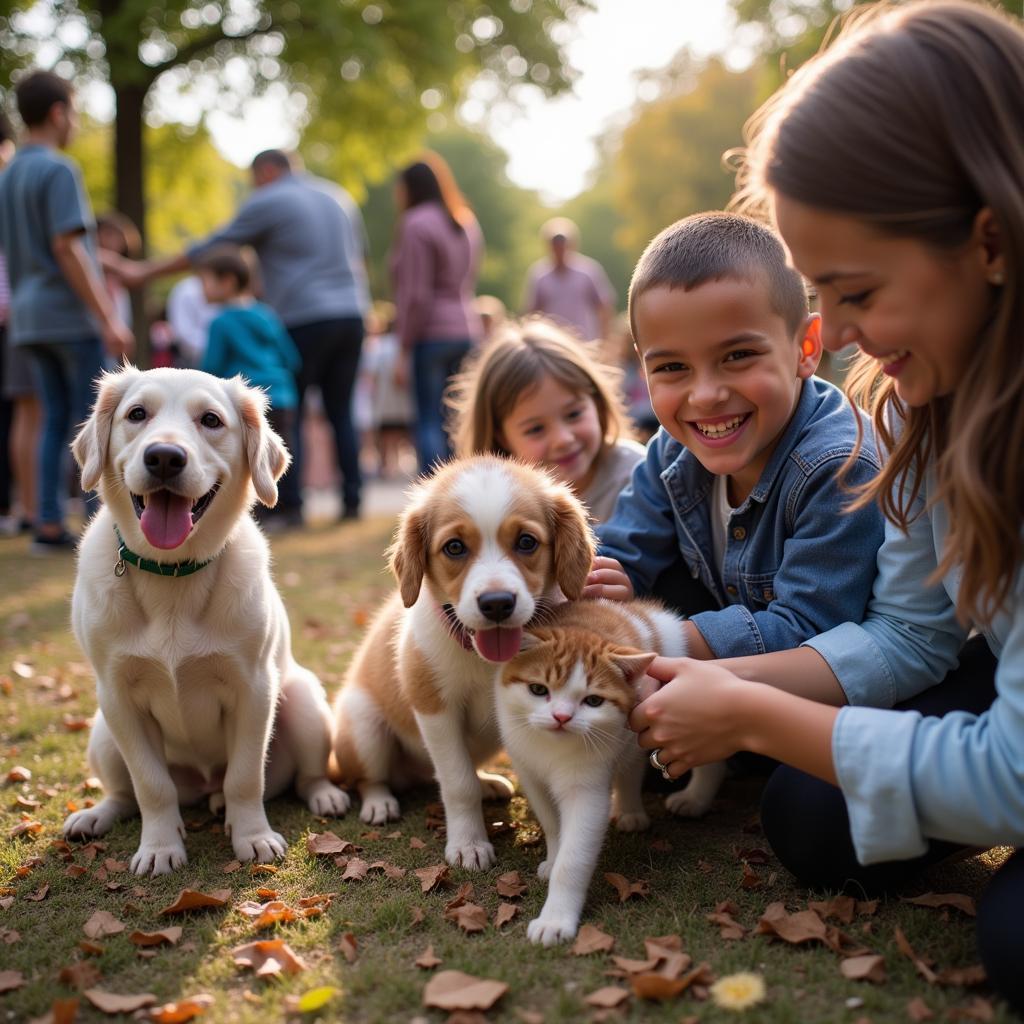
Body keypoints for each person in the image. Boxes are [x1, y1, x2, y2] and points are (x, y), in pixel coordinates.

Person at [625, 2, 1024, 1013]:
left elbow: (1014, 772)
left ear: (987, 239)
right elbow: (910, 634)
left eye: (854, 290)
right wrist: (719, 685)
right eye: (820, 294)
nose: (837, 334)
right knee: (812, 815)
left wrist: (750, 705)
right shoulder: (924, 406)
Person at [588, 212, 884, 662]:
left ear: (805, 348)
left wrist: (644, 637)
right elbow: (624, 548)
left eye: (738, 356)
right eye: (671, 367)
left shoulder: (838, 467)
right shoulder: (672, 449)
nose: (705, 396)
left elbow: (806, 627)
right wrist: (606, 583)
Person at [123, 148, 370, 520]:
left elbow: (216, 245)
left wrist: (146, 272)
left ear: (267, 171)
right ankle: (353, 500)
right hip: (353, 313)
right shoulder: (338, 197)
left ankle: (290, 505)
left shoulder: (270, 198)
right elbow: (360, 257)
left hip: (303, 314)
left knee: (292, 412)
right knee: (341, 410)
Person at [0, 71, 134, 552]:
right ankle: (104, 527)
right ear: (58, 113)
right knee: (95, 421)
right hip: (66, 315)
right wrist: (107, 316)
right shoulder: (58, 170)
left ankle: (47, 524)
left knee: (52, 419)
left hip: (28, 318)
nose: (75, 123)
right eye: (75, 112)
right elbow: (68, 247)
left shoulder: (8, 173)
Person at [445, 316, 643, 523]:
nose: (563, 439)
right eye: (536, 429)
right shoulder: (494, 505)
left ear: (597, 403)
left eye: (574, 414)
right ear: (502, 438)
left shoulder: (636, 476)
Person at [196, 245, 302, 527]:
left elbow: (210, 369)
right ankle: (292, 509)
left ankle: (263, 514)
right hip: (282, 395)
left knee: (252, 456)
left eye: (205, 281)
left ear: (227, 281)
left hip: (247, 402)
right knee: (284, 453)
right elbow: (291, 357)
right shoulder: (266, 315)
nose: (201, 290)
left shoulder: (221, 322)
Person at [390, 152, 483, 472]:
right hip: (467, 329)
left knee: (429, 418)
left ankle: (436, 494)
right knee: (458, 419)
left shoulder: (416, 223)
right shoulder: (465, 221)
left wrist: (403, 347)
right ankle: (465, 486)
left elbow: (416, 295)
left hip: (430, 334)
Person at [525, 217, 615, 343]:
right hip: (552, 344)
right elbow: (532, 313)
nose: (559, 249)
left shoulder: (588, 271)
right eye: (555, 244)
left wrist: (606, 342)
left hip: (585, 343)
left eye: (563, 243)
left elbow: (604, 307)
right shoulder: (539, 274)